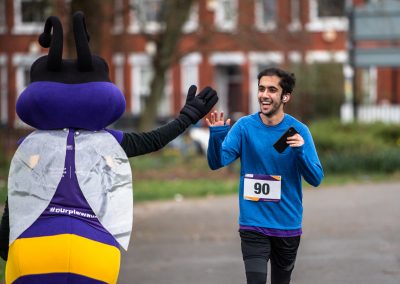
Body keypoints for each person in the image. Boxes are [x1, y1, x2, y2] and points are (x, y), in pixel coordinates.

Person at [0, 12, 217, 284]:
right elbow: (154, 140)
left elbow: (17, 198)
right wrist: (187, 118)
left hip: (33, 250)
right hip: (94, 251)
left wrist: (4, 243)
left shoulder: (29, 146)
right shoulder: (109, 142)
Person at [206, 67, 323, 284]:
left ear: (285, 96)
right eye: (261, 89)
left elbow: (316, 178)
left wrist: (300, 152)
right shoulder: (244, 127)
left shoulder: (299, 131)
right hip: (253, 223)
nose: (264, 95)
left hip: (287, 225)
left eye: (271, 89)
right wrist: (216, 136)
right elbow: (216, 162)